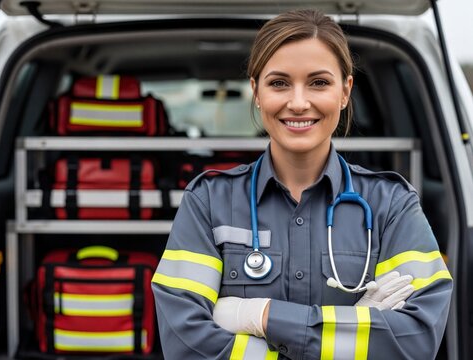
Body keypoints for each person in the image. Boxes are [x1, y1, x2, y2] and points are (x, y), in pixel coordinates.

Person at [151, 9, 452, 360]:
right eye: (279, 83)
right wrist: (355, 327)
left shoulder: (392, 204)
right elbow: (184, 345)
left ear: (345, 91)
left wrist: (259, 315)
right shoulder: (207, 202)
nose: (297, 102)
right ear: (256, 92)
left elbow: (415, 342)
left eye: (319, 82)